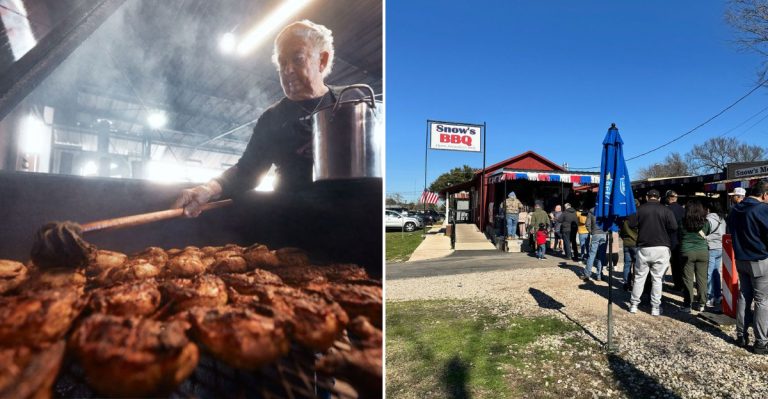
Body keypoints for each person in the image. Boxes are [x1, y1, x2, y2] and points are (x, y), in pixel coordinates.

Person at [173, 20, 360, 216]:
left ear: (321, 60)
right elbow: (247, 171)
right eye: (282, 63)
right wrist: (208, 189)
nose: (287, 70)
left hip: (346, 220)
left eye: (297, 59)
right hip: (292, 222)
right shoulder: (273, 118)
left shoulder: (353, 102)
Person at [726, 180, 768, 354]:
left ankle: (741, 335)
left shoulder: (735, 209)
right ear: (765, 195)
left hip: (741, 259)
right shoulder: (762, 209)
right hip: (759, 260)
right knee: (762, 301)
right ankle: (761, 342)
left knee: (744, 296)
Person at [628, 189, 678, 316]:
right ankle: (655, 307)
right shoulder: (666, 210)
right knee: (657, 279)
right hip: (662, 247)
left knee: (639, 277)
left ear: (646, 197)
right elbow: (674, 227)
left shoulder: (639, 209)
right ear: (659, 198)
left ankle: (634, 305)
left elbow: (631, 223)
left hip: (644, 247)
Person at [679, 200, 710, 313]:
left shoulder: (682, 222)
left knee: (688, 279)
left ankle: (688, 305)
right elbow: (707, 233)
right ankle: (702, 304)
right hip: (703, 252)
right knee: (702, 279)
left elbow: (679, 235)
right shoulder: (705, 222)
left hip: (687, 252)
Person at [705, 200, 726, 309]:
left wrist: (706, 238)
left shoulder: (708, 219)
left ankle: (709, 297)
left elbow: (705, 233)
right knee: (716, 272)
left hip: (711, 248)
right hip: (720, 248)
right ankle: (718, 295)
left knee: (709, 273)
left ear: (708, 208)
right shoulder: (722, 219)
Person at [665, 190, 685, 291]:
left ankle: (678, 285)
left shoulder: (667, 209)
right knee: (682, 263)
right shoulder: (682, 209)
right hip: (682, 240)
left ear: (668, 198)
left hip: (671, 240)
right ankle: (683, 284)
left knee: (674, 264)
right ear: (676, 198)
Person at [583, 206, 607, 281]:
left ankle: (587, 274)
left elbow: (587, 224)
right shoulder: (605, 209)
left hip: (595, 234)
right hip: (604, 233)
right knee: (601, 255)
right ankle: (599, 275)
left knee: (592, 255)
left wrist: (591, 231)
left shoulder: (592, 211)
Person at [619, 204, 639, 291]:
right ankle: (635, 284)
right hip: (635, 243)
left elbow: (621, 232)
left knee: (627, 264)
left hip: (626, 243)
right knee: (636, 265)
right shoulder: (638, 218)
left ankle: (626, 283)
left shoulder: (624, 218)